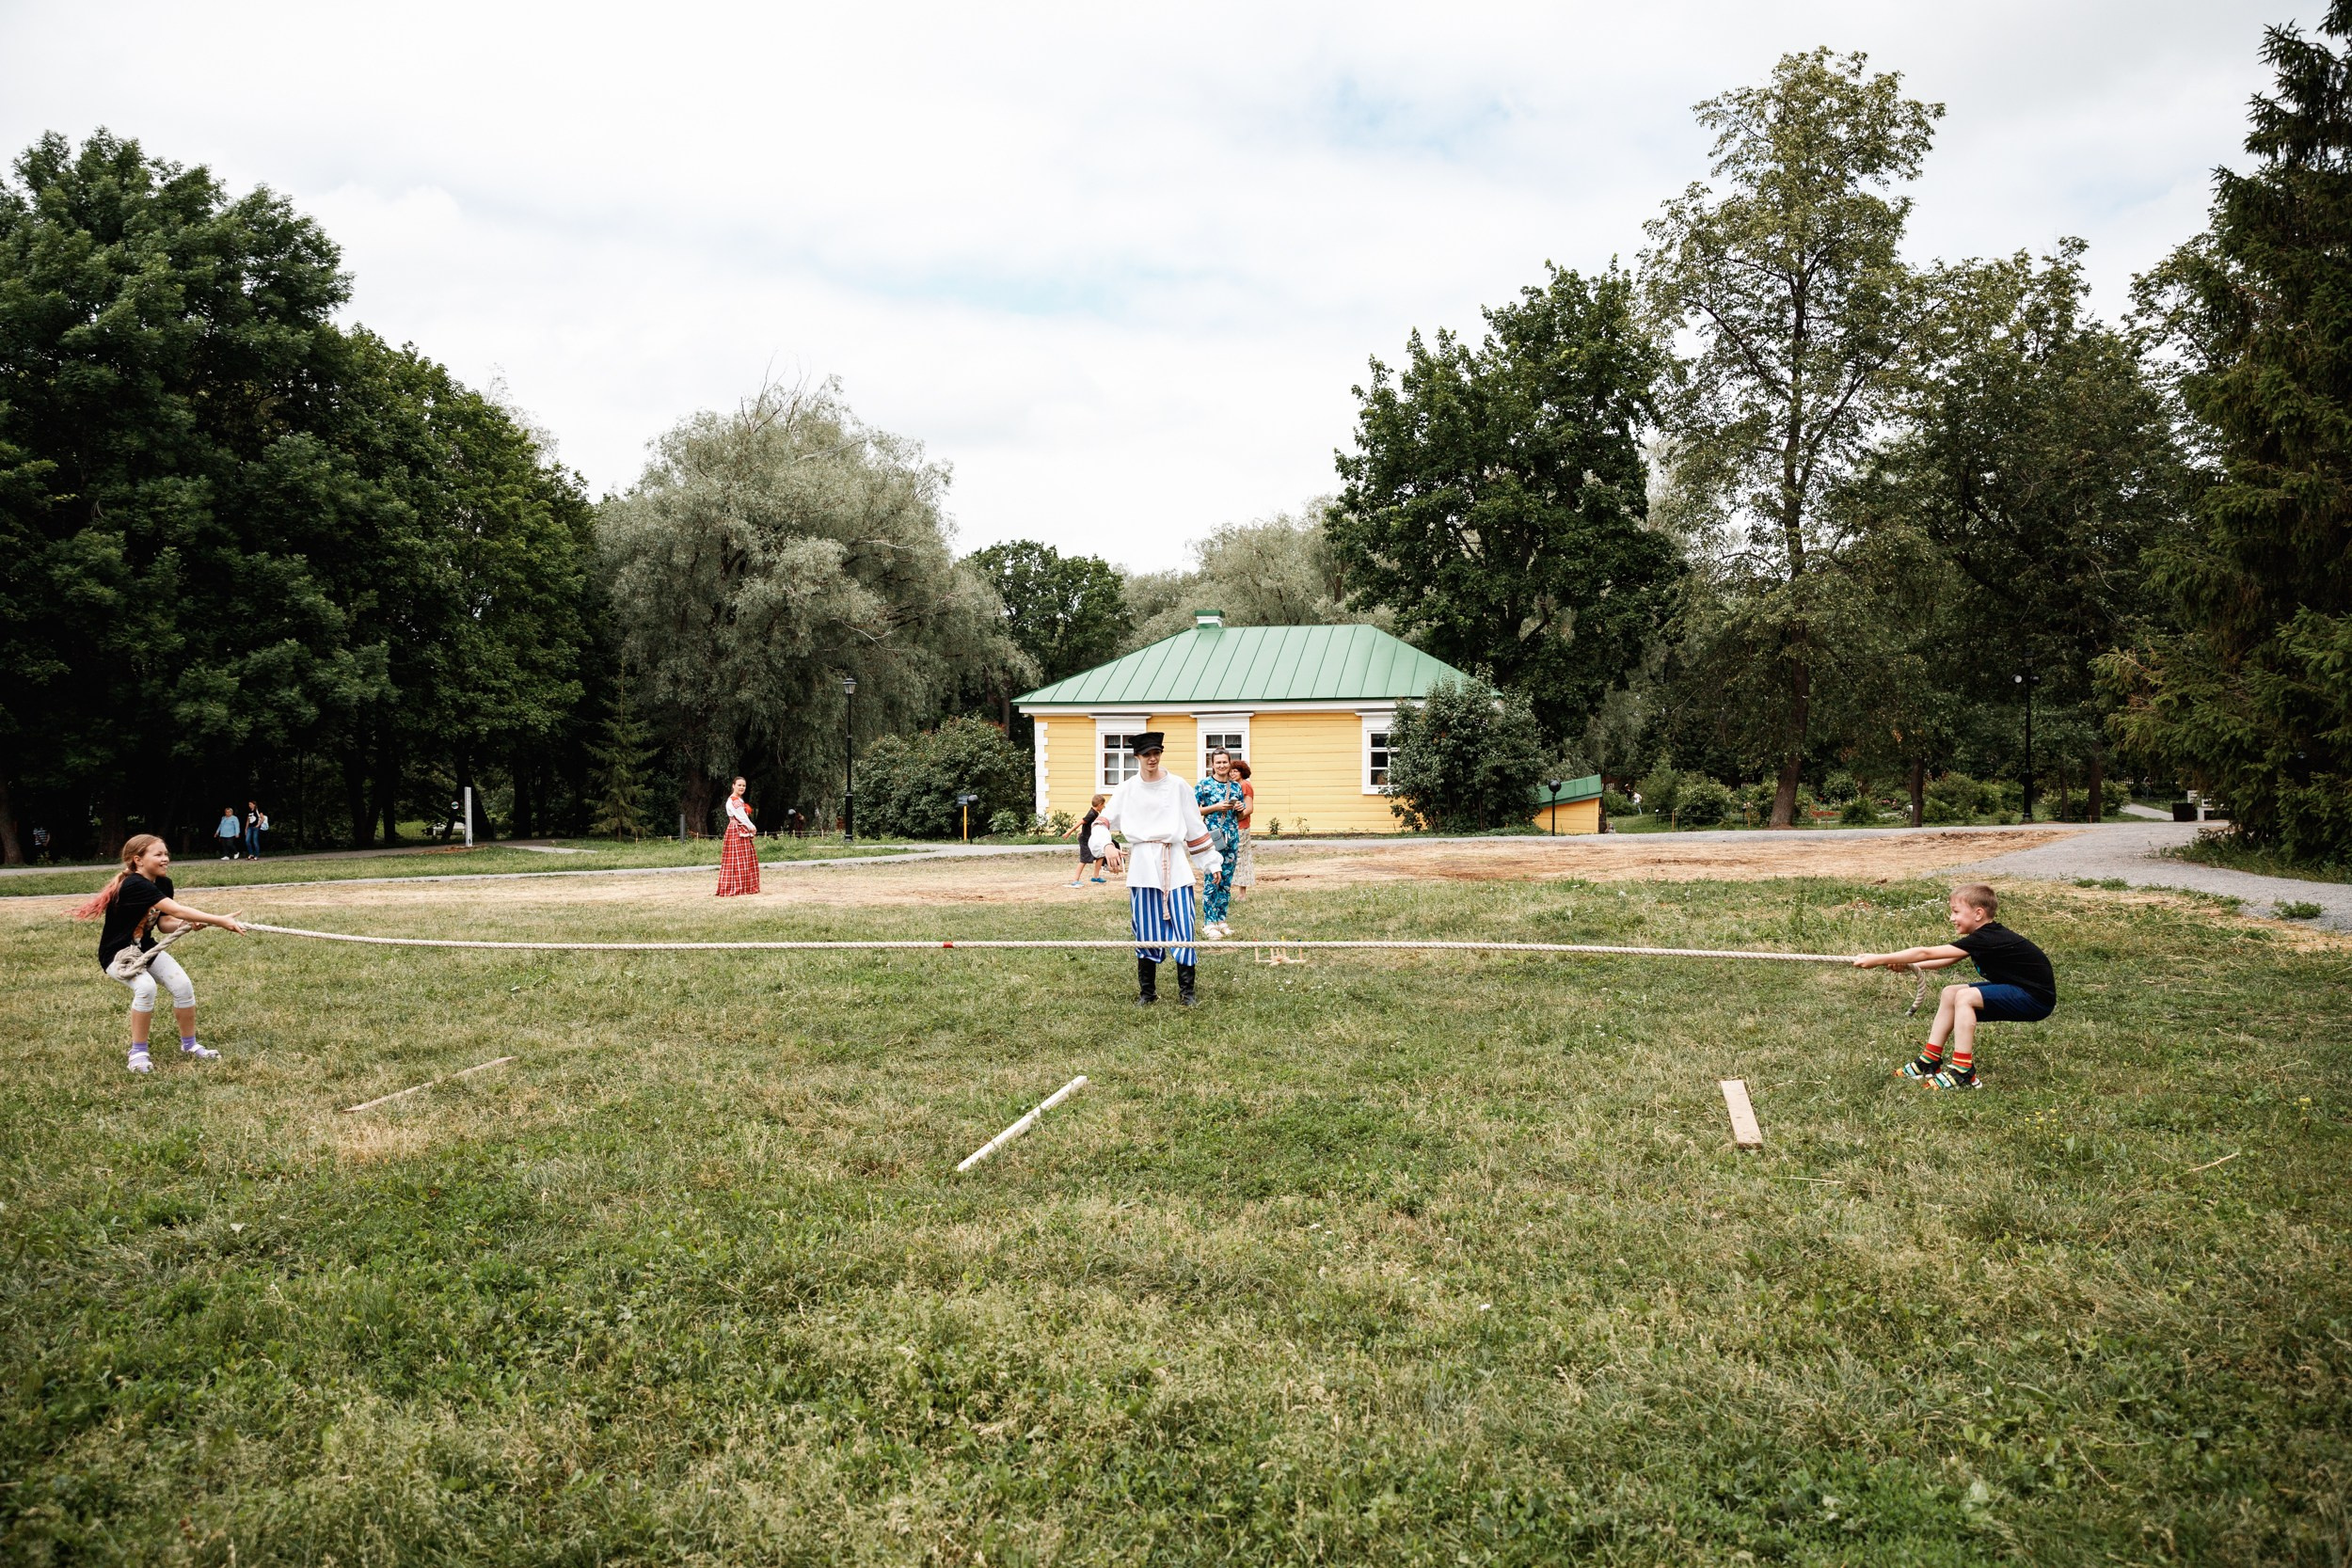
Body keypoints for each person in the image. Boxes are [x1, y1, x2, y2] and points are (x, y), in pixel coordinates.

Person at [1852, 882, 2056, 1091]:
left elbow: (1926, 953)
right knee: (1951, 992)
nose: (1951, 918)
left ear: (1978, 913)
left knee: (1965, 997)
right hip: (2019, 992)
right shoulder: (1981, 938)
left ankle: (1963, 1072)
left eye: (1956, 911)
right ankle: (1929, 1061)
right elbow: (1945, 960)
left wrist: (1879, 958)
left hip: (2035, 1000)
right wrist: (1907, 966)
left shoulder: (1990, 937)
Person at [72, 834, 245, 1073]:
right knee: (146, 988)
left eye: (166, 854)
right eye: (158, 854)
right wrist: (219, 919)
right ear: (138, 860)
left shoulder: (163, 883)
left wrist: (187, 924)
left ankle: (190, 1045)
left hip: (146, 948)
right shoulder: (134, 884)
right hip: (118, 954)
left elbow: (165, 923)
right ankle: (138, 1051)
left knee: (183, 986)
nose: (165, 859)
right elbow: (176, 909)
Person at [1091, 733, 1220, 1006]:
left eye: (1156, 753)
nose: (1152, 758)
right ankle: (1147, 993)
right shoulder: (1126, 789)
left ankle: (1188, 992)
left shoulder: (1177, 786)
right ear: (1137, 757)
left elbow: (1195, 826)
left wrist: (1211, 862)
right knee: (1145, 930)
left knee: (1185, 925)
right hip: (1142, 866)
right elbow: (1101, 823)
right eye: (1146, 754)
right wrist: (1107, 847)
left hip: (1174, 861)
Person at [1194, 749, 1244, 938]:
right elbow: (1193, 811)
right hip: (1211, 840)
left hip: (1231, 839)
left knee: (1226, 882)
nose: (1222, 765)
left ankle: (1221, 920)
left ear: (1229, 763)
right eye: (1218, 762)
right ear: (1212, 764)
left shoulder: (1236, 787)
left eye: (1225, 762)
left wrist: (1239, 808)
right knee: (1211, 880)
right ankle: (1209, 922)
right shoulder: (1203, 786)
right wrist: (1215, 807)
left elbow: (1240, 816)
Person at [716, 776, 760, 895]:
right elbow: (742, 817)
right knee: (738, 858)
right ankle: (737, 887)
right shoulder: (734, 800)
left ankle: (743, 886)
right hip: (737, 830)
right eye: (739, 785)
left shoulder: (738, 800)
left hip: (739, 828)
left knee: (742, 858)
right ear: (733, 785)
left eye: (744, 785)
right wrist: (752, 827)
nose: (742, 787)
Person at [1063, 793, 1108, 886]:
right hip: (1085, 840)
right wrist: (1069, 832)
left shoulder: (1095, 813)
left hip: (1090, 839)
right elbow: (1082, 822)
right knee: (1084, 860)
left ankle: (1095, 877)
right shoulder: (1092, 813)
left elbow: (1087, 824)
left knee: (1100, 855)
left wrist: (1082, 831)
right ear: (1099, 805)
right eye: (1103, 805)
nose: (1104, 807)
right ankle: (1075, 880)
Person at [1229, 759, 1256, 898]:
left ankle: (1242, 893)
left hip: (1241, 827)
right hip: (1232, 826)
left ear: (1242, 772)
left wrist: (1236, 818)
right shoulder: (1232, 786)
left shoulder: (1245, 785)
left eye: (1236, 771)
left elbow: (1249, 808)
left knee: (1241, 858)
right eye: (1231, 771)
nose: (1233, 773)